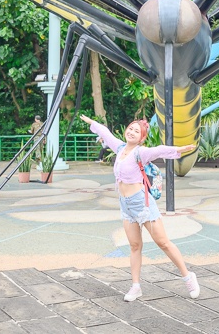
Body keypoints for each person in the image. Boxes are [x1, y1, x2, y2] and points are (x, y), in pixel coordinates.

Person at [81, 114, 200, 302]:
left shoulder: (140, 152)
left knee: (163, 243)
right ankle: (136, 286)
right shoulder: (120, 149)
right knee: (135, 246)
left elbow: (159, 150)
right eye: (130, 128)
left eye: (137, 131)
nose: (132, 132)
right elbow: (107, 133)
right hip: (125, 205)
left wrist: (179, 150)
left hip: (142, 204)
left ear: (142, 137)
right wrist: (92, 123)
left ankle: (188, 276)